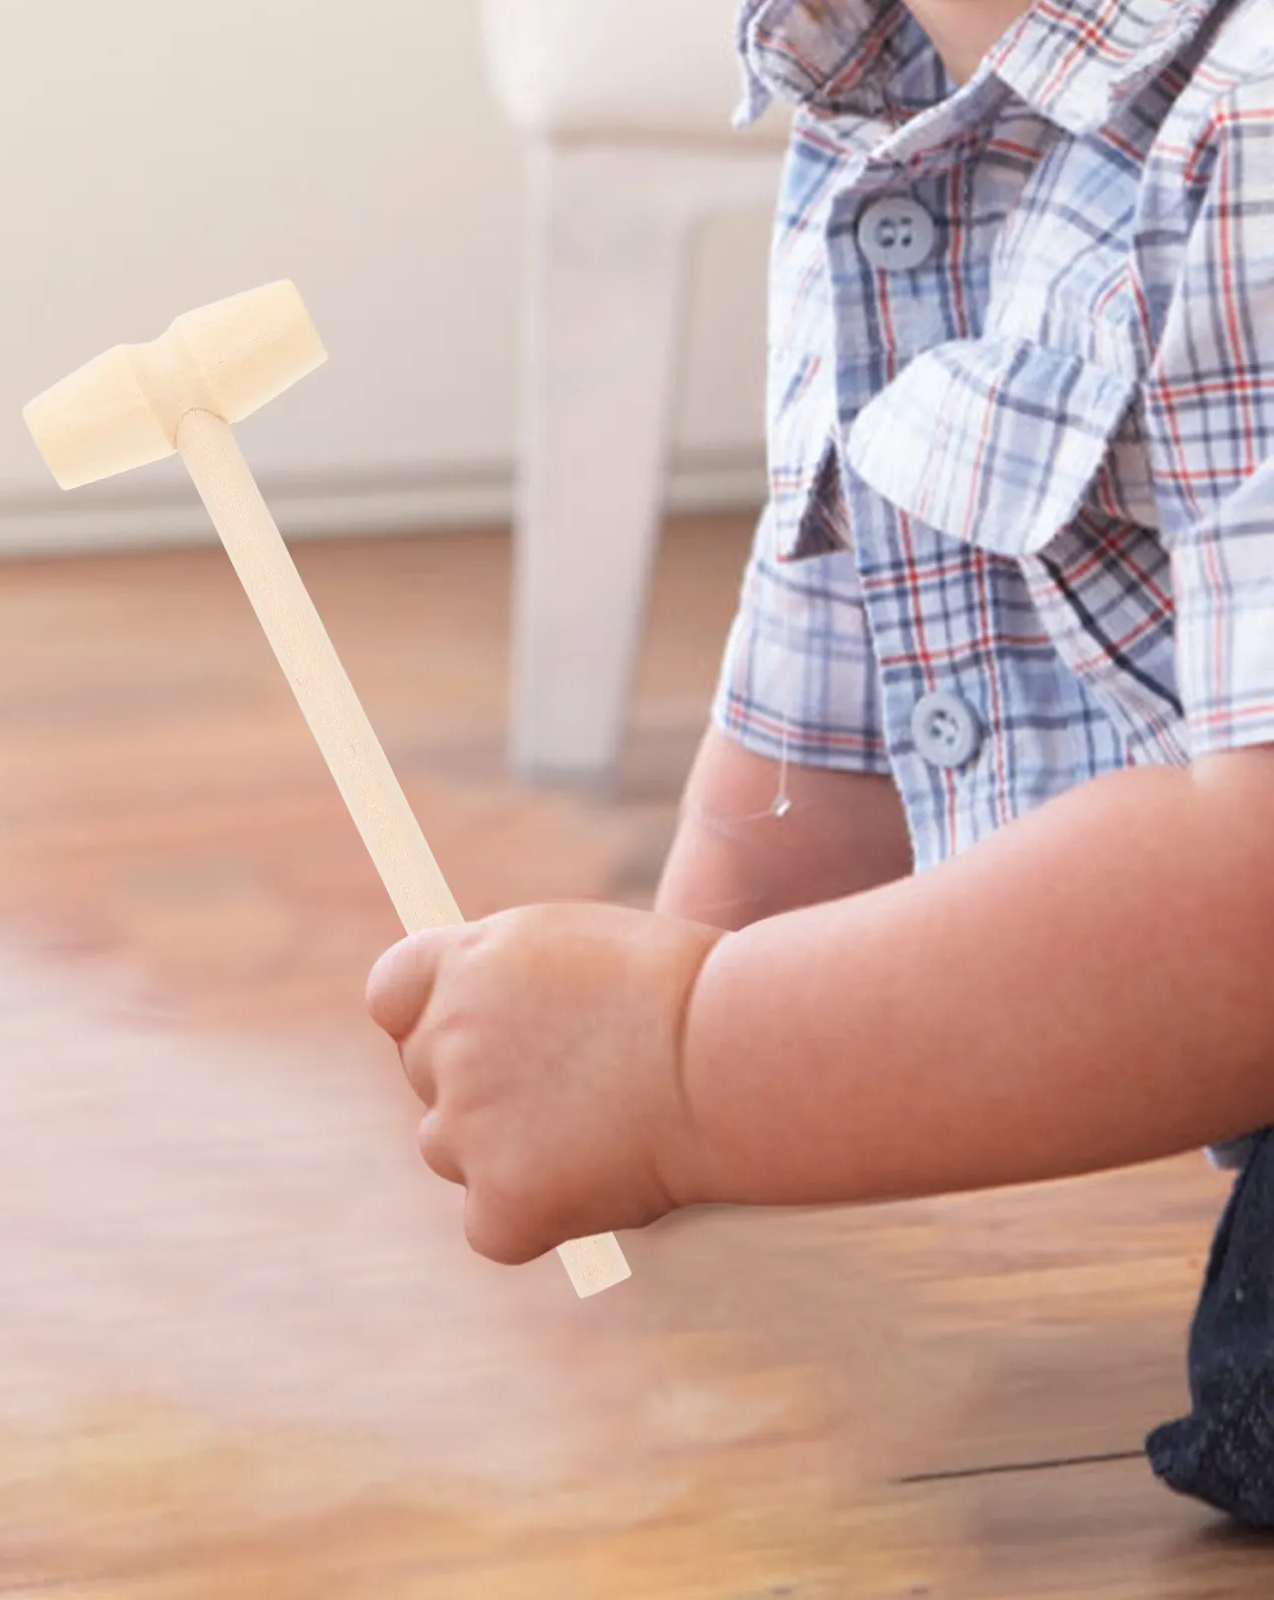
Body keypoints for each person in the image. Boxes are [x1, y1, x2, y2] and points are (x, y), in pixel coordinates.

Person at [366, 0, 1274, 1524]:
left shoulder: (1254, 118)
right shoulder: (873, 105)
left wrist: (684, 1068)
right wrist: (611, 1071)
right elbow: (819, 740)